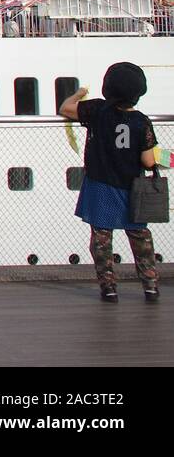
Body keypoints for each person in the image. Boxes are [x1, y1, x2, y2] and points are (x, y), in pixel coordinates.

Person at [59, 63, 160, 302]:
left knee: (102, 239)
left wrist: (79, 94)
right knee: (139, 236)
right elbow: (147, 160)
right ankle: (150, 285)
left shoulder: (97, 110)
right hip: (132, 187)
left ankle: (109, 287)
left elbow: (65, 108)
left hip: (100, 184)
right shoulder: (141, 121)